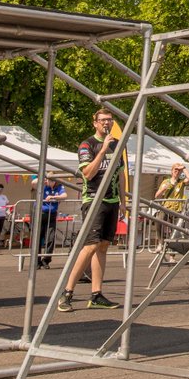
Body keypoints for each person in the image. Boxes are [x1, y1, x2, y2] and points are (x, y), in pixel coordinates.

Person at [58, 108, 122, 311]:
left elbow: (118, 173)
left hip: (112, 200)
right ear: (95, 123)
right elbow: (87, 173)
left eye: (109, 120)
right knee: (90, 246)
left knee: (103, 246)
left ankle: (96, 294)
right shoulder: (88, 145)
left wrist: (123, 200)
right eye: (103, 120)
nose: (106, 123)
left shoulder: (117, 145)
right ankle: (67, 292)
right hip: (94, 200)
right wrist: (102, 150)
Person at [32, 170, 67, 268]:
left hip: (51, 214)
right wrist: (44, 178)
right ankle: (36, 261)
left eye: (52, 180)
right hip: (40, 213)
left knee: (50, 238)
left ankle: (46, 260)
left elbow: (64, 195)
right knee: (38, 238)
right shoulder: (43, 185)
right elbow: (33, 183)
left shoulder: (59, 187)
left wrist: (54, 196)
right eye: (49, 180)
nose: (50, 182)